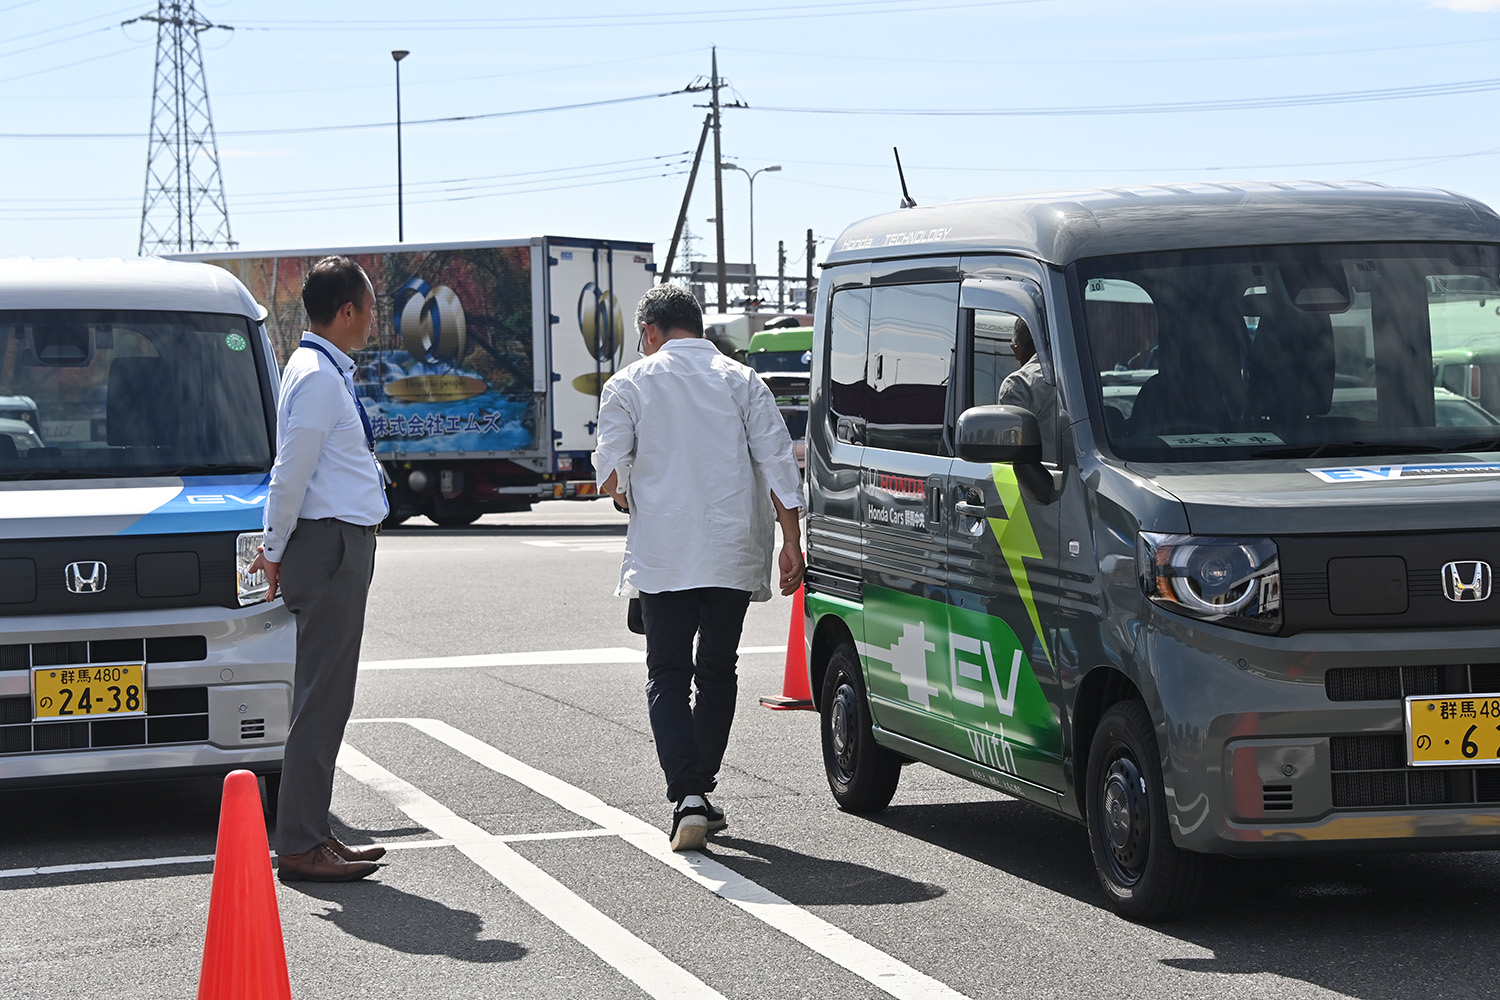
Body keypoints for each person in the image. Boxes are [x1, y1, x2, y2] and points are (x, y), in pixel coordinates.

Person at [594, 284, 805, 852]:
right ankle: (701, 790)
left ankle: (687, 794)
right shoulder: (742, 380)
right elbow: (777, 461)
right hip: (731, 549)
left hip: (665, 554)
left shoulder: (630, 384)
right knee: (717, 671)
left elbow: (610, 471)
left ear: (650, 332)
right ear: (700, 325)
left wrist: (630, 497)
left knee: (666, 673)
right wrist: (791, 540)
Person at [247, 255, 391, 883]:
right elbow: (290, 472)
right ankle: (302, 843)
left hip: (340, 542)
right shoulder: (315, 377)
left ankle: (313, 831)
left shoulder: (322, 370)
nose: (374, 318)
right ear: (348, 311)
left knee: (328, 698)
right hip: (329, 546)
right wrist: (271, 550)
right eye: (370, 306)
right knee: (322, 701)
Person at [997, 318, 1058, 462]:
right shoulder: (1081, 374)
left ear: (1016, 349)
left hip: (1041, 481)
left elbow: (1010, 453)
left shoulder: (1018, 384)